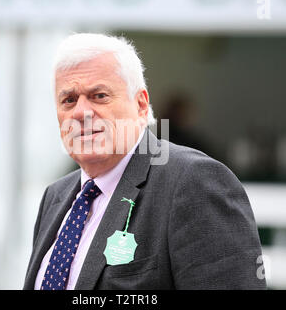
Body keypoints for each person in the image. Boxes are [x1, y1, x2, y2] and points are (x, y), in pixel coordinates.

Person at [24, 33, 266, 290]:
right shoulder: (56, 196)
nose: (81, 112)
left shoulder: (193, 182)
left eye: (99, 95)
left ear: (140, 105)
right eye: (69, 100)